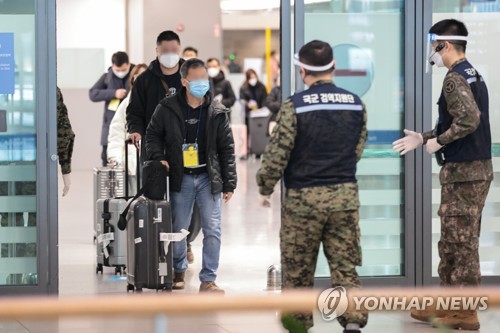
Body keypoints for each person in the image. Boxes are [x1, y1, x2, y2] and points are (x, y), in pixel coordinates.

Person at [256, 40, 368, 333]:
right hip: (344, 198)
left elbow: (278, 153)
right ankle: (353, 323)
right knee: (345, 267)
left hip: (302, 203)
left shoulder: (295, 106)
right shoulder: (356, 104)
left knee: (297, 272)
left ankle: (298, 325)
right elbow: (357, 149)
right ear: (333, 68)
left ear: (303, 70)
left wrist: (265, 186)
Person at [393, 19, 492, 331]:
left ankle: (465, 312)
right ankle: (449, 305)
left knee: (461, 244)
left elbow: (469, 120)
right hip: (470, 171)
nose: (430, 51)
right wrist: (425, 137)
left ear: (443, 44)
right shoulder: (471, 73)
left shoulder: (454, 79)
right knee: (452, 242)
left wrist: (439, 141)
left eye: (431, 44)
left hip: (465, 173)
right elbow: (461, 120)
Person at [146, 58, 237, 293]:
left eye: (204, 79)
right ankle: (178, 271)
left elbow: (227, 149)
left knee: (213, 228)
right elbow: (153, 135)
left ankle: (208, 279)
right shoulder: (167, 108)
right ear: (184, 81)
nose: (201, 84)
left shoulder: (217, 111)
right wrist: (159, 156)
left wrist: (230, 183)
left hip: (208, 177)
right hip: (181, 176)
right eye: (196, 79)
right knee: (179, 227)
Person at [126, 30, 185, 153]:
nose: (170, 54)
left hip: (186, 142)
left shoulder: (190, 76)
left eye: (173, 50)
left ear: (179, 49)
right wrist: (135, 130)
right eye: (165, 51)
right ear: (157, 50)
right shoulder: (144, 80)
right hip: (154, 144)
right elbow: (134, 111)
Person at [107, 63, 148, 195]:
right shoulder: (127, 103)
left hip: (154, 162)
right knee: (133, 202)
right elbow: (117, 132)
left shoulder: (160, 101)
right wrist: (115, 157)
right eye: (138, 76)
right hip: (133, 162)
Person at [89, 51, 134, 166]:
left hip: (131, 126)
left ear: (128, 64)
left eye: (123, 69)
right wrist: (113, 93)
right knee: (108, 159)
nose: (120, 73)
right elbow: (93, 94)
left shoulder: (136, 75)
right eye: (117, 70)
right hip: (110, 126)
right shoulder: (107, 77)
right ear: (112, 66)